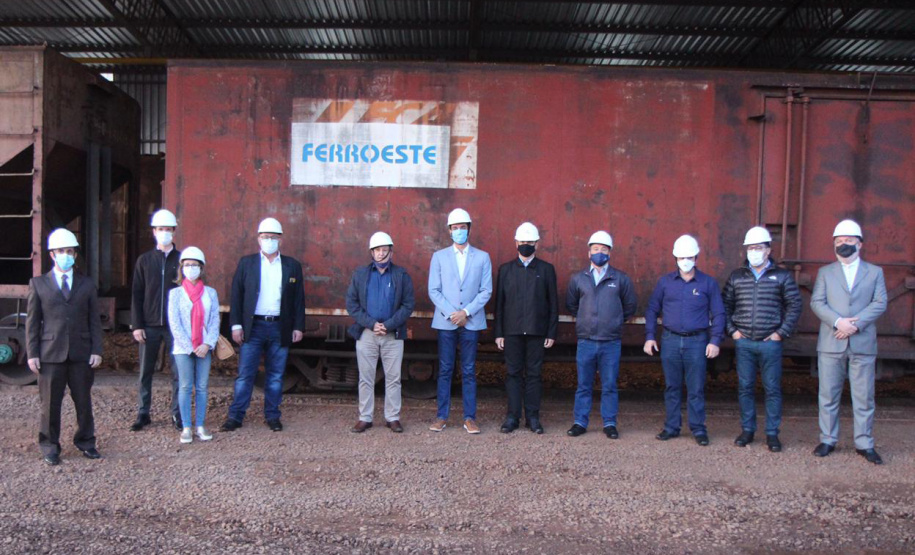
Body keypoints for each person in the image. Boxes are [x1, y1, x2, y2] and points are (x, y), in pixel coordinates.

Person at [810, 219, 887, 464]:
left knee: (864, 397)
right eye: (839, 241)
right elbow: (817, 302)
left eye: (848, 241)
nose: (843, 245)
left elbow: (880, 302)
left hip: (862, 343)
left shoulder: (875, 272)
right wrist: (838, 322)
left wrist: (854, 324)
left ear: (860, 244)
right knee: (828, 395)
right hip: (832, 342)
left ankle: (864, 443)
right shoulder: (825, 272)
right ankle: (827, 439)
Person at [26, 229, 103, 466]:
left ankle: (86, 442)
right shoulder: (38, 284)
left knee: (83, 402)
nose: (66, 255)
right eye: (61, 251)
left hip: (81, 352)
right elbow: (32, 321)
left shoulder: (87, 284)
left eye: (70, 251)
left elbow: (94, 320)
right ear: (52, 254)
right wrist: (32, 353)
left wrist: (97, 350)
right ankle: (50, 446)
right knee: (49, 404)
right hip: (50, 354)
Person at [221, 218, 306, 433]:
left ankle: (272, 416)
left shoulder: (291, 266)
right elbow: (237, 295)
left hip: (280, 326)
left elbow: (298, 300)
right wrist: (236, 325)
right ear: (258, 239)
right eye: (265, 237)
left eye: (273, 237)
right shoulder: (246, 263)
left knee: (276, 376)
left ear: (281, 239)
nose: (269, 241)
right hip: (254, 326)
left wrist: (298, 326)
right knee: (245, 375)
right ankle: (236, 416)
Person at [722, 226, 802, 452]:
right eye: (750, 248)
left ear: (768, 250)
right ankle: (747, 430)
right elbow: (725, 305)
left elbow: (795, 305)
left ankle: (772, 434)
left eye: (758, 247)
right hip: (744, 342)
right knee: (745, 387)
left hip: (770, 344)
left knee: (772, 389)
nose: (754, 251)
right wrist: (733, 332)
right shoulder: (737, 276)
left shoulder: (782, 276)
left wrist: (780, 333)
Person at [644, 235, 725, 446]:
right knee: (672, 387)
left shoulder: (708, 283)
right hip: (670, 340)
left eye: (689, 257)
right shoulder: (665, 283)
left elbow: (718, 313)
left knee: (696, 388)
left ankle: (698, 429)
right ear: (676, 259)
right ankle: (672, 427)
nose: (685, 261)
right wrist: (650, 337)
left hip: (697, 342)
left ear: (696, 258)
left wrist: (715, 340)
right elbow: (652, 310)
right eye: (681, 258)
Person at [566, 231, 637, 439]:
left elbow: (630, 306)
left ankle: (609, 423)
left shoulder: (620, 278)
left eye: (604, 249)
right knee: (583, 385)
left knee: (609, 385)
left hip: (610, 342)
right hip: (586, 341)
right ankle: (580, 422)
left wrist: (613, 322)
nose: (599, 253)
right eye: (596, 249)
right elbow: (572, 305)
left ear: (610, 253)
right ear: (589, 252)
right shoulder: (578, 279)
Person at [428, 208, 492, 434]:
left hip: (471, 322)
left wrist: (466, 312)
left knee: (468, 369)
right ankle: (441, 416)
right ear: (449, 231)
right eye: (455, 228)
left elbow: (486, 291)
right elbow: (434, 290)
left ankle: (469, 418)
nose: (459, 231)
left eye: (462, 227)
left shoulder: (482, 257)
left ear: (469, 229)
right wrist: (452, 314)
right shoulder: (439, 257)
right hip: (446, 322)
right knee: (445, 369)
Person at [345, 232, 415, 434]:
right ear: (372, 252)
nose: (381, 253)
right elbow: (352, 304)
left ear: (391, 252)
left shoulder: (401, 275)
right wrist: (371, 324)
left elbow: (408, 304)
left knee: (393, 378)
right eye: (377, 250)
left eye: (385, 250)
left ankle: (392, 418)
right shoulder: (360, 275)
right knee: (365, 377)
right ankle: (365, 418)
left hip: (393, 334)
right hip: (367, 332)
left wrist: (389, 324)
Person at [493, 222, 558, 434]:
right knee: (512, 374)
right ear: (516, 243)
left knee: (534, 375)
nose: (526, 245)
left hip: (536, 332)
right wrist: (499, 332)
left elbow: (553, 304)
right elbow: (499, 304)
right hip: (511, 332)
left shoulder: (547, 270)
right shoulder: (506, 270)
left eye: (530, 242)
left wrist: (551, 332)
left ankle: (533, 418)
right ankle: (512, 417)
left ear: (537, 244)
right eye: (522, 242)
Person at [129, 208, 182, 431]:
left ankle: (177, 414)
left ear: (174, 232)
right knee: (145, 371)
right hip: (149, 325)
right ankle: (143, 412)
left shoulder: (182, 260)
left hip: (175, 327)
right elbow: (137, 294)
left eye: (168, 229)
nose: (165, 233)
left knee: (178, 372)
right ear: (154, 231)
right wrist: (137, 324)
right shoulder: (144, 261)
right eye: (161, 229)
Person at [168, 247, 220, 444]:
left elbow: (215, 320)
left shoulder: (211, 294)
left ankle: (200, 424)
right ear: (182, 268)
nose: (191, 268)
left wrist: (207, 344)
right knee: (184, 386)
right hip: (184, 349)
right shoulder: (175, 294)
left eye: (195, 265)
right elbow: (175, 323)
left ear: (201, 268)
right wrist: (191, 346)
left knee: (202, 387)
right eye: (187, 265)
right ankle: (186, 427)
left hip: (204, 347)